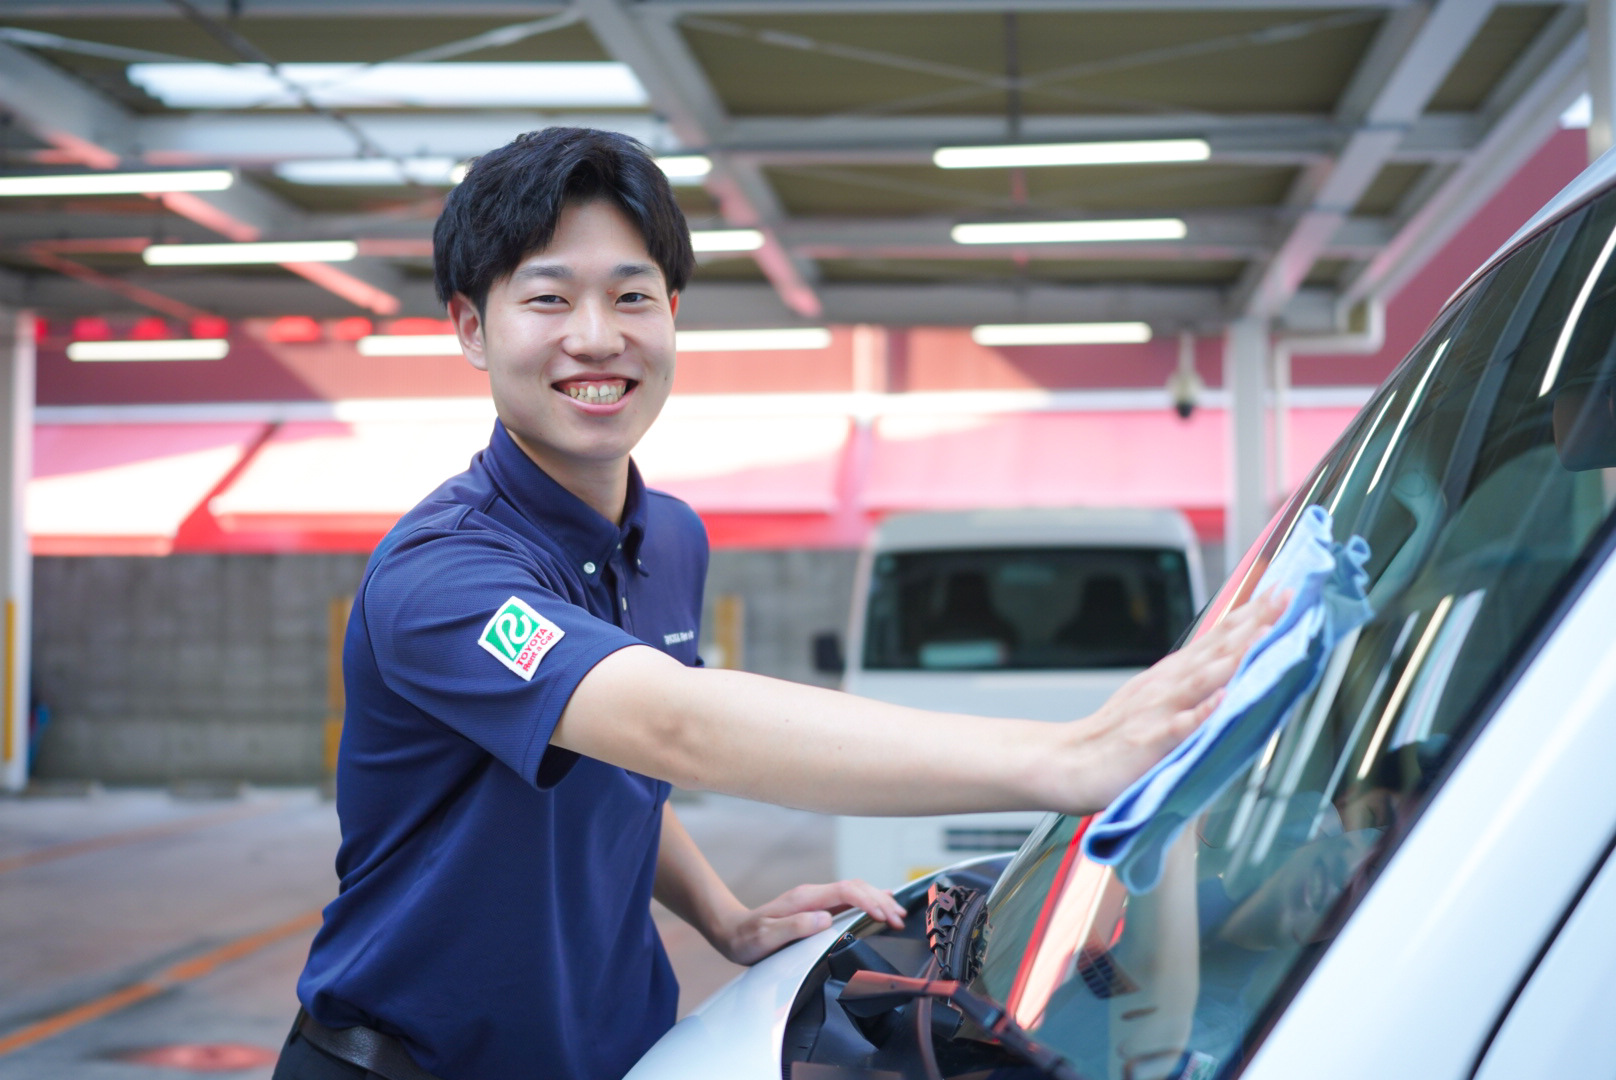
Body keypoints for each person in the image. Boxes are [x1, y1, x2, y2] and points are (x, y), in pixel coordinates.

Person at [273, 127, 1281, 1080]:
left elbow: (613, 760)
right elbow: (670, 725)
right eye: (547, 299)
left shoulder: (669, 536)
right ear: (470, 328)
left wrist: (725, 916)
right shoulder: (441, 576)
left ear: (672, 312)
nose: (596, 337)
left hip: (616, 1053)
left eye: (631, 296)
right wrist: (1061, 758)